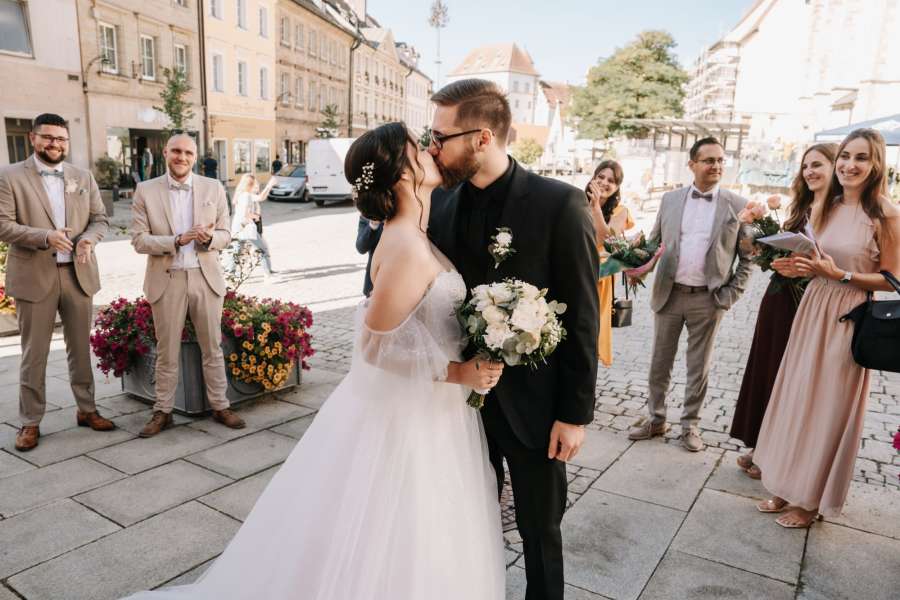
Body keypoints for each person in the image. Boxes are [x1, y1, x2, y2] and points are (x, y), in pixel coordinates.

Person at [121, 122, 506, 599]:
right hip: (408, 413)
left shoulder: (414, 232)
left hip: (428, 408)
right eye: (419, 148)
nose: (431, 151)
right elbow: (374, 347)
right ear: (404, 173)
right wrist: (458, 372)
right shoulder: (406, 245)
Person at [427, 79, 599, 600]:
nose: (432, 148)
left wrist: (574, 415)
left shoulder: (560, 204)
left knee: (540, 531)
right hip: (458, 408)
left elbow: (583, 316)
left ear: (482, 137)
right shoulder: (439, 203)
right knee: (462, 524)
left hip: (535, 408)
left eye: (440, 137)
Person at [754, 128, 900, 528]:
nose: (850, 165)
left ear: (876, 165)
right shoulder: (827, 205)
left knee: (827, 407)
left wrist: (842, 275)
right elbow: (818, 261)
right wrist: (797, 267)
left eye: (861, 158)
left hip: (848, 315)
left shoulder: (886, 214)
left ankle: (810, 499)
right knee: (797, 397)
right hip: (813, 307)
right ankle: (785, 484)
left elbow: (891, 279)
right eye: (846, 156)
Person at [0, 113, 115, 451]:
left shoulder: (83, 176)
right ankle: (30, 421)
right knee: (34, 353)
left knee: (80, 349)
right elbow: (3, 225)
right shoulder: (9, 176)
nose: (55, 144)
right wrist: (45, 236)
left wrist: (88, 239)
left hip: (78, 274)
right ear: (33, 138)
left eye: (61, 138)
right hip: (34, 275)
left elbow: (100, 219)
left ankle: (87, 409)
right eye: (48, 137)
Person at [629, 137, 752, 452]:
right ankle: (656, 419)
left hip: (708, 299)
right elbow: (654, 242)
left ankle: (690, 425)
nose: (716, 166)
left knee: (699, 367)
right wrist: (636, 263)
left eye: (721, 160)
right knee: (659, 363)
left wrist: (728, 296)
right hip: (669, 294)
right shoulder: (670, 199)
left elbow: (748, 258)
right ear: (692, 164)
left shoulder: (738, 205)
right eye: (709, 160)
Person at [729, 143, 837, 479]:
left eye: (817, 165)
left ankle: (781, 454)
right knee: (769, 369)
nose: (810, 172)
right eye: (806, 166)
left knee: (796, 379)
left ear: (835, 167)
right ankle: (761, 444)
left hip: (813, 301)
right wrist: (768, 253)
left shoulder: (840, 211)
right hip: (779, 301)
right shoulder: (802, 207)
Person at [130, 133, 246, 437]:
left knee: (212, 347)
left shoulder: (213, 187)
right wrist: (177, 240)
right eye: (176, 151)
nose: (182, 157)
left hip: (205, 278)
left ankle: (220, 405)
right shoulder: (145, 190)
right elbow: (139, 240)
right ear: (165, 153)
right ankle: (163, 411)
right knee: (166, 350)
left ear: (195, 157)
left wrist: (209, 238)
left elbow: (226, 234)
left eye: (188, 153)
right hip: (167, 279)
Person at [586, 159, 634, 367]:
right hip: (575, 270)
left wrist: (596, 208)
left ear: (617, 186)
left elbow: (607, 240)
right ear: (593, 178)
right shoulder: (577, 201)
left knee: (590, 331)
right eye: (601, 177)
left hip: (600, 277)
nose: (605, 183)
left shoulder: (620, 211)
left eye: (611, 180)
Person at [228, 174, 276, 278]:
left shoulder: (243, 194)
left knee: (237, 251)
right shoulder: (246, 196)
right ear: (250, 184)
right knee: (262, 249)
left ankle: (230, 274)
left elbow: (261, 197)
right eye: (255, 183)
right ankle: (268, 274)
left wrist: (269, 186)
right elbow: (245, 214)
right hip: (245, 227)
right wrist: (255, 216)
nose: (256, 185)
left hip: (238, 226)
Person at [356, 216, 383, 296]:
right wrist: (373, 225)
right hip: (374, 284)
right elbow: (361, 248)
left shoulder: (404, 213)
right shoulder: (367, 216)